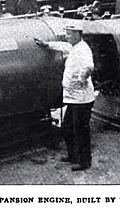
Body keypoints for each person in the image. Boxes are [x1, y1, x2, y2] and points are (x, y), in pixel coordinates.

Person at [35, 23, 95, 171]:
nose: (66, 36)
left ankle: (84, 162)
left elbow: (89, 66)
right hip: (73, 98)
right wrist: (46, 44)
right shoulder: (74, 47)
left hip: (82, 99)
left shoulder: (84, 50)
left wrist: (82, 79)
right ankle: (73, 156)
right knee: (68, 128)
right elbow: (63, 46)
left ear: (77, 34)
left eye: (69, 34)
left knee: (81, 131)